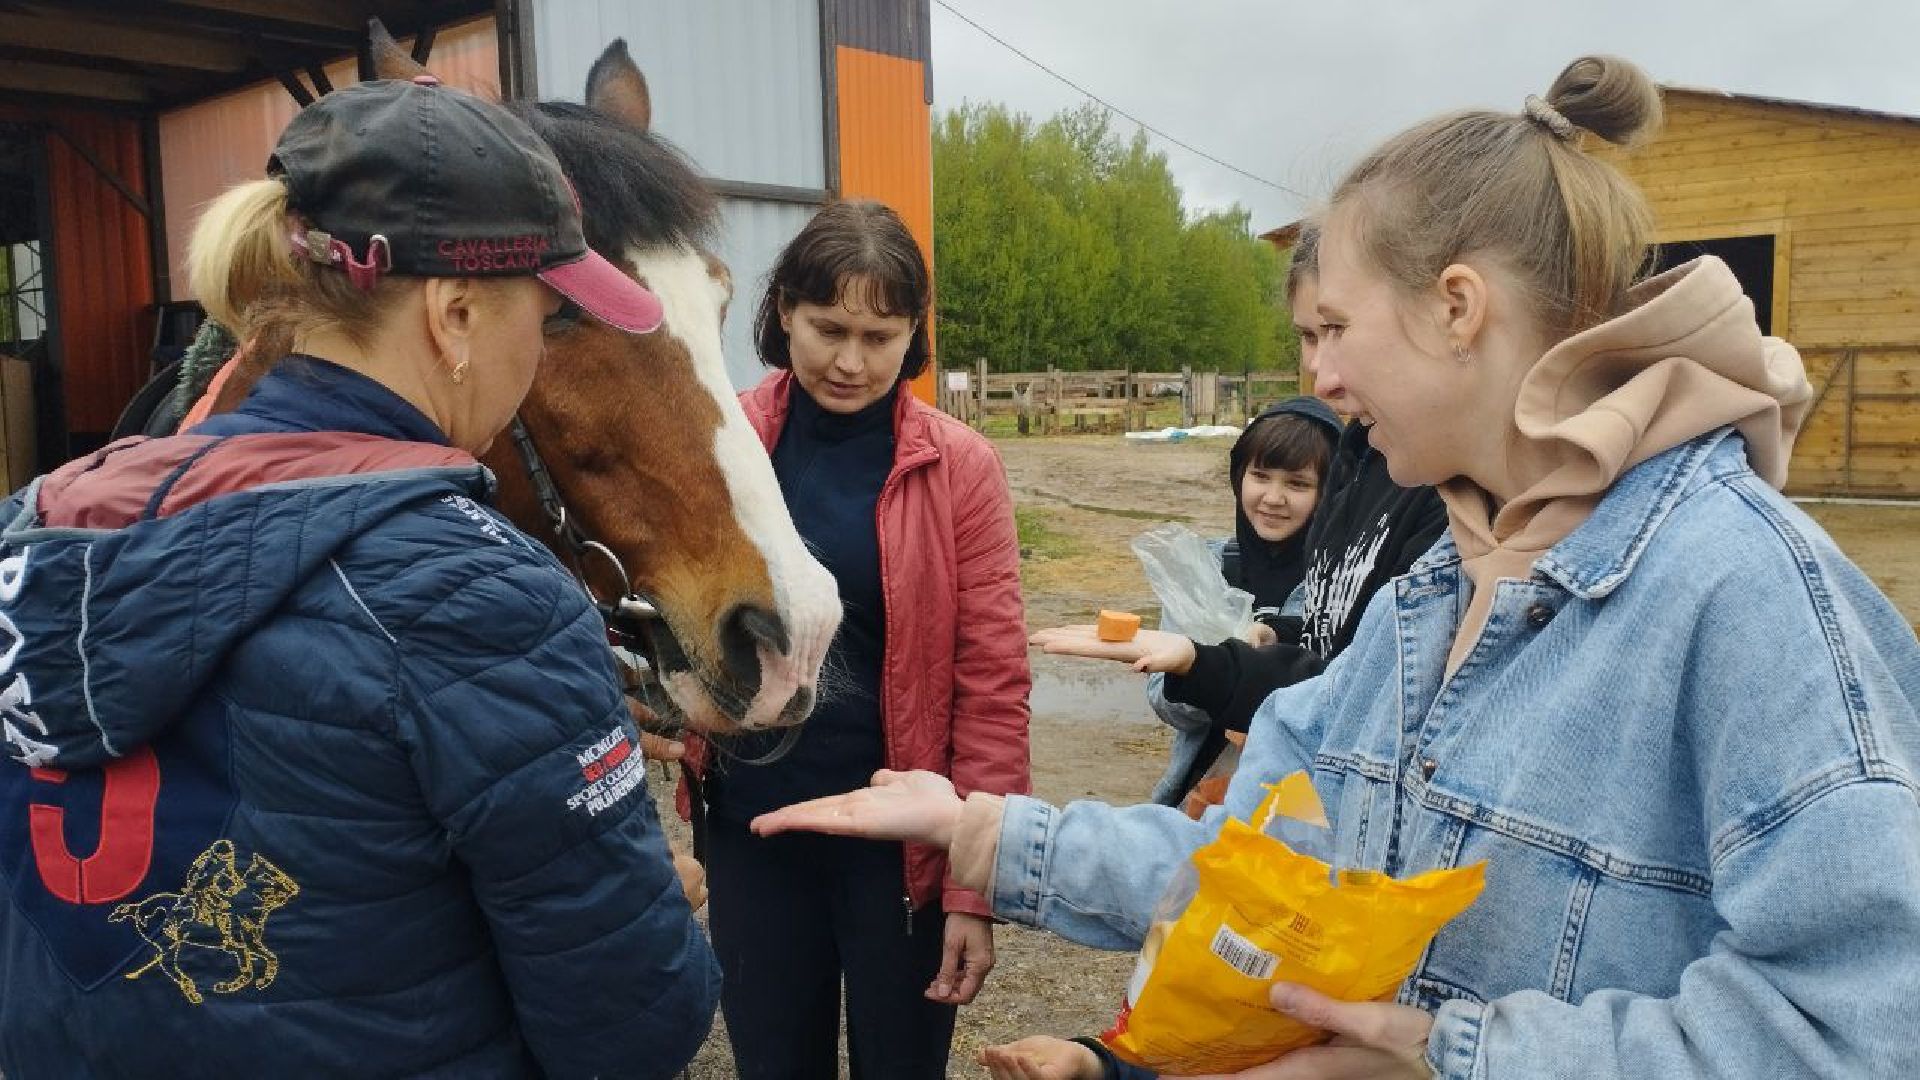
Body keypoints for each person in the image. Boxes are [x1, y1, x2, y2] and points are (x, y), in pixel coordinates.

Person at [753, 55, 1920, 1080]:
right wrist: (983, 831)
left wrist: (1446, 1056)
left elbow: (1860, 1032)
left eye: (1339, 328)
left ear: (1456, 309)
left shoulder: (1751, 597)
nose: (1324, 380)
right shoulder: (1427, 601)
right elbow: (1256, 869)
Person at [0, 79, 717, 1077]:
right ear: (455, 315)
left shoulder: (40, 525)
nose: (538, 346)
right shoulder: (489, 598)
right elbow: (630, 1026)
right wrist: (657, 914)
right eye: (549, 317)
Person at [678, 199, 1032, 1078]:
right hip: (756, 828)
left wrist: (974, 882)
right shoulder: (722, 440)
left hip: (899, 844)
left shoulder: (961, 469)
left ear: (914, 334)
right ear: (783, 312)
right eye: (828, 328)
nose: (850, 361)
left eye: (880, 336)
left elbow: (992, 682)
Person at [1141, 395, 1340, 806]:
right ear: (1238, 477)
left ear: (1331, 492)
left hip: (1305, 809)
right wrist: (1206, 674)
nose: (1273, 497)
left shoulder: (1342, 582)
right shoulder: (1206, 568)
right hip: (1203, 800)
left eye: (1298, 484)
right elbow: (1164, 700)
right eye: (1260, 476)